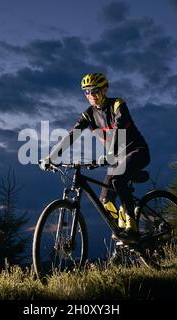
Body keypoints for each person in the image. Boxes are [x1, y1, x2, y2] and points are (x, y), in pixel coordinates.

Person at [39, 73, 150, 242]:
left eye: (95, 90)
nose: (91, 95)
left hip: (136, 151)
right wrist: (52, 156)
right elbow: (71, 136)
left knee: (118, 180)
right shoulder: (89, 115)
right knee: (105, 200)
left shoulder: (117, 105)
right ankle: (121, 230)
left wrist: (110, 153)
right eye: (86, 91)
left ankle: (132, 227)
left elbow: (119, 129)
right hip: (117, 159)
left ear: (104, 90)